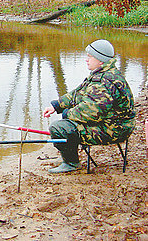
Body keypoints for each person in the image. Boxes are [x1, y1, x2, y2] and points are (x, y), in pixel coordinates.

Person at [43, 39, 136, 173]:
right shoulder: (105, 73)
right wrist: (56, 106)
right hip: (117, 123)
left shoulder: (103, 82)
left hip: (115, 129)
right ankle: (69, 155)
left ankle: (71, 163)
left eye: (90, 56)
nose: (86, 59)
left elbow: (90, 113)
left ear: (100, 60)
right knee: (65, 121)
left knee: (59, 128)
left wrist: (67, 114)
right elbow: (78, 93)